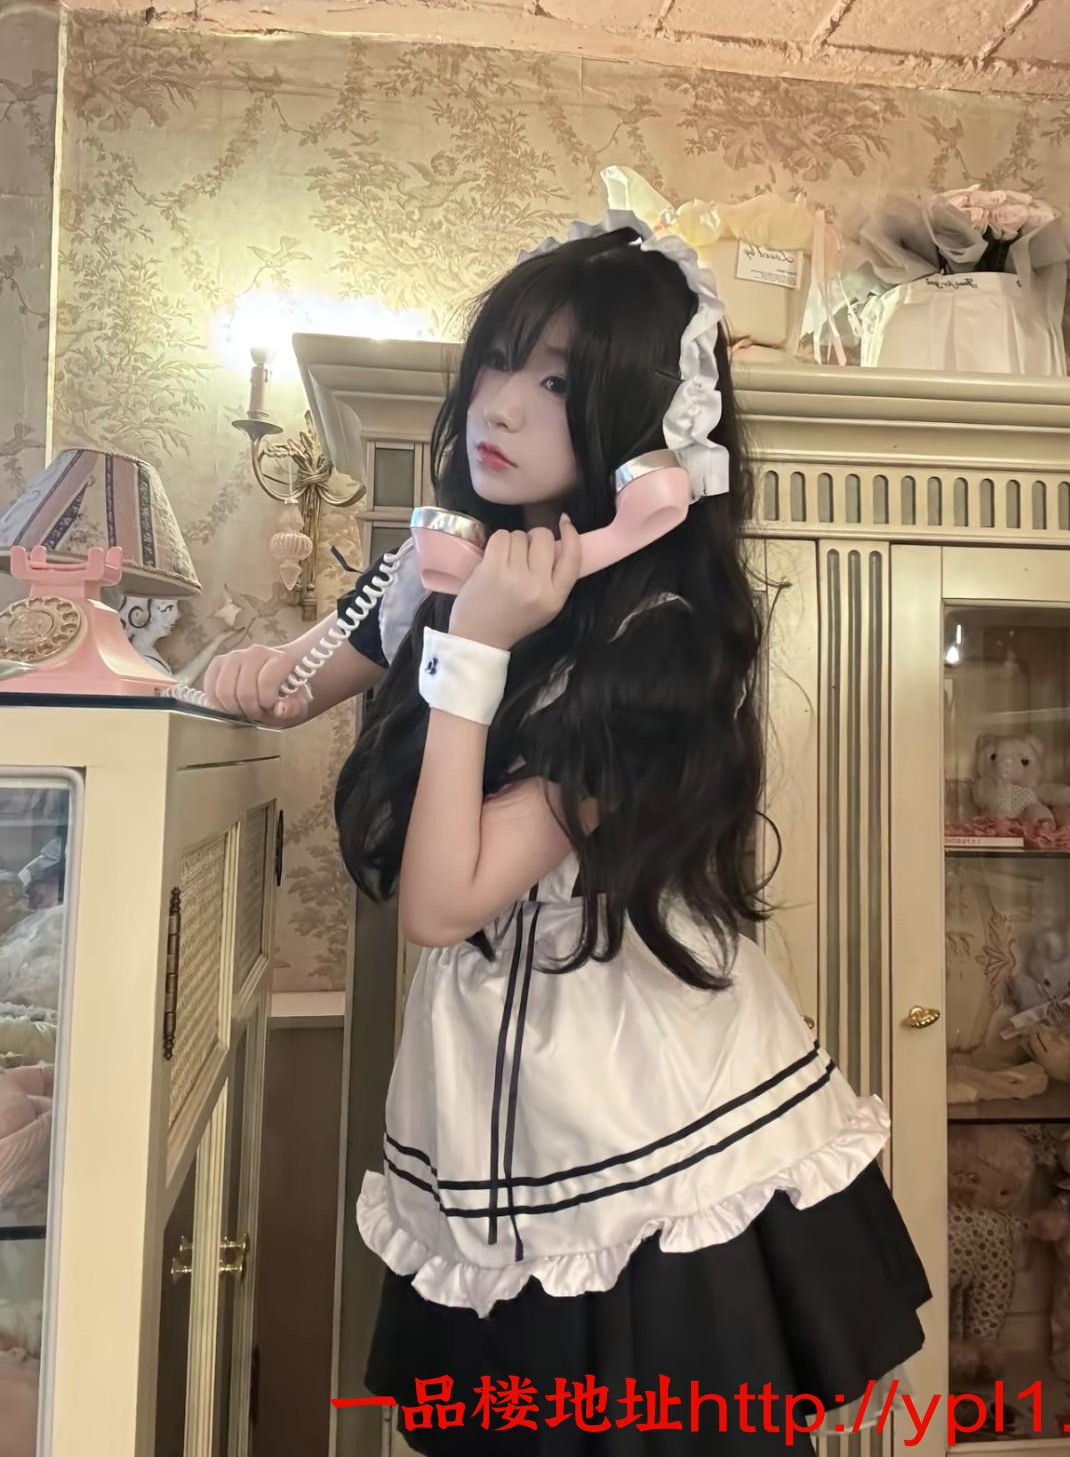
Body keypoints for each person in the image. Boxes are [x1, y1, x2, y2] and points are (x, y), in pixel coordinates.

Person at [203, 213, 930, 1453]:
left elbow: (443, 900)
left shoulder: (656, 634)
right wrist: (215, 664)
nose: (500, 403)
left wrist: (478, 648)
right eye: (498, 360)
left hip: (641, 1120)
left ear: (650, 439)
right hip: (481, 1093)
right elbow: (284, 685)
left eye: (554, 380)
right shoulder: (450, 561)